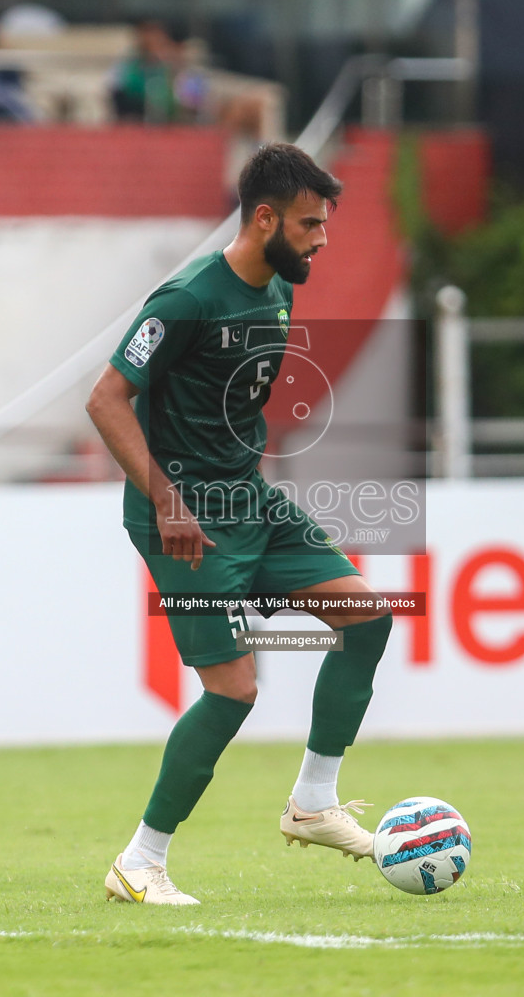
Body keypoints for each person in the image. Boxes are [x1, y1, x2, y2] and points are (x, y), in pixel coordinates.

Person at [85, 143, 393, 905]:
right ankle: (140, 862)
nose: (322, 239)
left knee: (366, 616)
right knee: (233, 691)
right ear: (265, 219)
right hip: (182, 516)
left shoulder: (278, 292)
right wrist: (166, 500)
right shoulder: (186, 297)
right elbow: (104, 400)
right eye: (309, 224)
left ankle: (315, 803)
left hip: (248, 500)